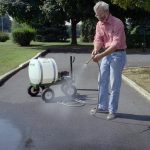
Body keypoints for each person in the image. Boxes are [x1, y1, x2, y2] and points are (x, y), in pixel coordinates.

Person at [91, 1, 127, 120]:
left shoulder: (118, 23)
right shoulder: (99, 24)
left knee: (114, 84)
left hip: (118, 55)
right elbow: (98, 39)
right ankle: (102, 106)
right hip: (106, 54)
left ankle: (112, 110)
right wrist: (96, 50)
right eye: (97, 16)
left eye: (101, 15)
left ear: (107, 12)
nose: (100, 18)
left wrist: (100, 56)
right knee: (102, 80)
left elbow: (116, 45)